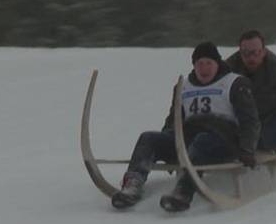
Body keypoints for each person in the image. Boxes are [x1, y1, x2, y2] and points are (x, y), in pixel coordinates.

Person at [112, 42, 261, 212]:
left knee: (201, 141)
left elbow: (250, 120)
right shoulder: (184, 86)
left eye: (208, 63)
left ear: (217, 64)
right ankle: (133, 183)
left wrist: (248, 148)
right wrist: (166, 147)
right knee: (148, 138)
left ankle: (184, 190)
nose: (204, 69)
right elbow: (174, 119)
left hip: (222, 139)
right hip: (188, 139)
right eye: (199, 64)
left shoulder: (234, 83)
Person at [225, 30, 276, 155]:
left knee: (270, 142)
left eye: (255, 53)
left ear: (264, 51)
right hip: (242, 119)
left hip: (271, 118)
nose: (251, 58)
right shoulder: (228, 69)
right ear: (240, 53)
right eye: (246, 54)